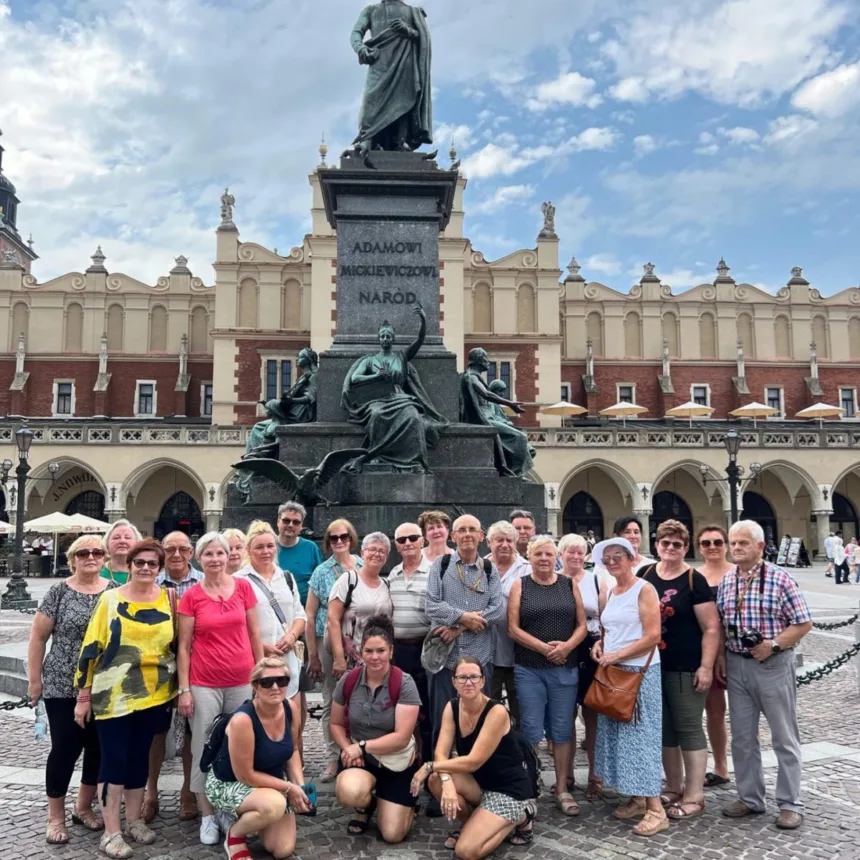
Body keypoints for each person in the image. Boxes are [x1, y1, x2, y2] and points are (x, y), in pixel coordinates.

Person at [75, 539, 177, 859]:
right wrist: (83, 694)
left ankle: (133, 821)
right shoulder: (110, 599)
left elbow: (175, 646)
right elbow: (91, 648)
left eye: (152, 563)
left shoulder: (169, 599)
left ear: (160, 569)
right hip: (113, 696)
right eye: (139, 562)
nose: (145, 568)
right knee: (114, 761)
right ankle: (111, 832)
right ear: (129, 565)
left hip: (156, 694)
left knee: (138, 762)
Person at [716, 520, 812, 830]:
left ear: (760, 546)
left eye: (743, 543)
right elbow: (720, 625)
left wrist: (773, 645)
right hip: (737, 664)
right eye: (733, 542)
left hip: (772, 665)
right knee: (743, 738)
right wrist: (720, 656)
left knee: (783, 736)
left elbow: (802, 622)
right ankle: (750, 797)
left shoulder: (780, 579)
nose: (736, 548)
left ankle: (789, 803)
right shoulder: (728, 580)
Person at [177, 532, 264, 845]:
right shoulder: (192, 596)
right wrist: (184, 689)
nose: (215, 559)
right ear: (199, 559)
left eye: (220, 553)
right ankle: (207, 814)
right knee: (203, 746)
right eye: (208, 554)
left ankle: (231, 807)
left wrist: (261, 677)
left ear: (229, 557)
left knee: (238, 747)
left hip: (241, 680)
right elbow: (184, 647)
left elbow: (255, 634)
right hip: (204, 683)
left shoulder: (243, 587)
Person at [28, 534, 113, 845]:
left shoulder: (114, 592)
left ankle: (83, 807)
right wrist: (35, 680)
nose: (90, 557)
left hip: (103, 684)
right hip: (63, 683)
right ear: (73, 559)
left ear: (104, 558)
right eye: (83, 553)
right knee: (65, 749)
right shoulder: (58, 592)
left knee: (97, 748)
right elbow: (38, 638)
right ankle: (55, 816)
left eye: (96, 552)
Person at [410, 656, 536, 857]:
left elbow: (474, 760)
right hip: (479, 784)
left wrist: (428, 766)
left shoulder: (496, 712)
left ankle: (521, 816)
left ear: (483, 681)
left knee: (466, 851)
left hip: (506, 789)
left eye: (474, 677)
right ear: (453, 682)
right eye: (462, 678)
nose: (468, 682)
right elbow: (441, 752)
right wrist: (446, 780)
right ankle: (472, 824)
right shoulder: (452, 707)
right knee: (436, 781)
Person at [638, 521, 720, 821]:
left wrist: (706, 666)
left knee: (688, 727)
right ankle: (673, 786)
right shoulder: (644, 575)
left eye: (677, 544)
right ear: (656, 544)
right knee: (665, 730)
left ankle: (695, 795)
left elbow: (711, 628)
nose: (670, 548)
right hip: (652, 666)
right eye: (665, 542)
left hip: (685, 666)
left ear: (685, 548)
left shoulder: (692, 579)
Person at [592, 537, 666, 837]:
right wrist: (600, 645)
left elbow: (652, 635)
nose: (611, 562)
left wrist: (617, 655)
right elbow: (612, 629)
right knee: (623, 739)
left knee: (641, 739)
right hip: (614, 670)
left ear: (632, 558)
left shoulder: (644, 588)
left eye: (617, 556)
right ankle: (637, 797)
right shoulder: (611, 590)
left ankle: (657, 809)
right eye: (606, 558)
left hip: (639, 673)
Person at [508, 536, 586, 816]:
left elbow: (582, 625)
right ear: (529, 556)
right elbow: (513, 629)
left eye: (549, 554)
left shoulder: (569, 584)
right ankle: (531, 783)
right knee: (530, 728)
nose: (544, 558)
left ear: (557, 557)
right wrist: (544, 648)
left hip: (564, 667)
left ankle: (562, 787)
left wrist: (566, 647)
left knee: (563, 728)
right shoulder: (521, 585)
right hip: (529, 668)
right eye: (538, 553)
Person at [205, 657, 310, 860]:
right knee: (275, 805)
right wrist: (289, 788)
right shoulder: (243, 720)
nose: (275, 687)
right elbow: (246, 775)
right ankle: (235, 834)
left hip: (269, 782)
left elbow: (293, 750)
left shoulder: (290, 708)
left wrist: (300, 785)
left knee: (281, 848)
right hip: (230, 782)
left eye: (282, 681)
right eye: (266, 682)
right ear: (255, 685)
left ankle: (256, 817)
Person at [331, 616, 422, 843]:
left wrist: (360, 747)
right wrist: (347, 749)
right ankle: (366, 805)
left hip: (395, 761)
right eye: (369, 651)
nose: (374, 657)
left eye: (380, 650)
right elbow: (335, 723)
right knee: (348, 791)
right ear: (361, 652)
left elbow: (401, 738)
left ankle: (402, 803)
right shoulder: (349, 680)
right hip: (363, 761)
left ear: (391, 651)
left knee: (392, 834)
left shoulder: (404, 682)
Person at [142, 531, 203, 824]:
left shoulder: (204, 582)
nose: (176, 554)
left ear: (191, 552)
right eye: (170, 549)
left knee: (192, 732)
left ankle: (188, 792)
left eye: (182, 549)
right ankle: (150, 792)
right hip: (157, 667)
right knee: (156, 732)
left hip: (195, 664)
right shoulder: (150, 583)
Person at [425, 515, 504, 737]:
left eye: (472, 529)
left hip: (480, 659)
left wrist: (459, 627)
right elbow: (431, 606)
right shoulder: (440, 566)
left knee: (479, 725)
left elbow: (497, 610)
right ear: (453, 536)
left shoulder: (490, 570)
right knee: (442, 723)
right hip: (445, 660)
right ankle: (440, 769)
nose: (467, 534)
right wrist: (463, 617)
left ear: (481, 536)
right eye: (462, 530)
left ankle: (476, 770)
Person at [307, 519, 363, 783]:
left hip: (361, 640)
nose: (339, 542)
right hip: (328, 641)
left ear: (351, 539)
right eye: (333, 538)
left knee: (361, 698)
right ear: (327, 542)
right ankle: (333, 757)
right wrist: (313, 655)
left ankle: (358, 752)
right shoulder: (321, 571)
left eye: (344, 537)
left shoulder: (364, 566)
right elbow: (309, 614)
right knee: (333, 699)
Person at [558, 532, 608, 799]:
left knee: (592, 715)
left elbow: (604, 617)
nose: (576, 556)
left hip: (590, 648)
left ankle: (595, 776)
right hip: (562, 648)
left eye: (581, 552)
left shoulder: (596, 580)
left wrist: (602, 643)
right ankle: (564, 775)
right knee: (564, 717)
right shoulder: (554, 580)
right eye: (570, 551)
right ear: (561, 554)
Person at [236, 521, 307, 675]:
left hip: (287, 658)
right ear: (248, 550)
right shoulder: (238, 580)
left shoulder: (286, 577)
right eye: (259, 547)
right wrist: (259, 645)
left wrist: (292, 636)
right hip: (252, 658)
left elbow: (300, 615)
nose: (266, 551)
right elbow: (235, 624)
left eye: (270, 546)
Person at [388, 522, 433, 762]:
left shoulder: (435, 571)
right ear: (396, 545)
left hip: (426, 649)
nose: (407, 543)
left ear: (422, 540)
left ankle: (429, 760)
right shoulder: (393, 574)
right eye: (402, 540)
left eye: (412, 538)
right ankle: (408, 758)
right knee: (403, 706)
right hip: (400, 651)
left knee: (427, 707)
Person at [696, 524, 734, 788]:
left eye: (717, 542)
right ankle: (720, 766)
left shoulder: (736, 573)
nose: (712, 547)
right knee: (715, 711)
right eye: (706, 543)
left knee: (746, 714)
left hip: (741, 651)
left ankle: (744, 767)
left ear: (726, 545)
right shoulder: (695, 576)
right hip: (710, 651)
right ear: (699, 547)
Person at [328, 532, 394, 680]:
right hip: (351, 660)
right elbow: (333, 619)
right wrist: (339, 658)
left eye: (382, 551)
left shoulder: (386, 584)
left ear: (387, 557)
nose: (376, 554)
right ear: (363, 553)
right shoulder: (348, 580)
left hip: (379, 660)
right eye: (372, 549)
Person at [485, 521, 530, 730]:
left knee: (521, 707)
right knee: (487, 709)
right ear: (488, 543)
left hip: (519, 651)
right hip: (486, 651)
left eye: (508, 540)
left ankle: (524, 754)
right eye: (499, 540)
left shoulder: (528, 569)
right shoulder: (478, 567)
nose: (504, 545)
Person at [276, 501, 323, 604]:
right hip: (273, 614)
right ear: (278, 521)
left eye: (296, 522)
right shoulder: (268, 547)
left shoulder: (311, 548)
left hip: (305, 612)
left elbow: (320, 582)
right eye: (286, 521)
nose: (290, 525)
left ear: (301, 525)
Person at [100, 519, 142, 585]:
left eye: (127, 538)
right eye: (116, 538)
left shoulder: (144, 572)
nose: (122, 541)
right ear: (107, 543)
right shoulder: (98, 571)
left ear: (137, 543)